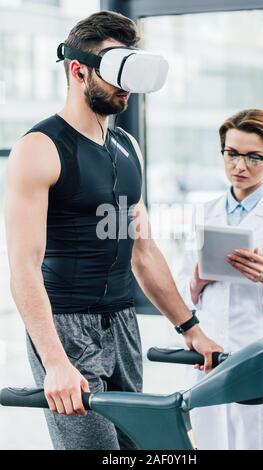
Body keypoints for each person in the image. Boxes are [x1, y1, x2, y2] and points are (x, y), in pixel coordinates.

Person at [4, 11, 222, 450]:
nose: (125, 84)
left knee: (137, 449)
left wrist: (190, 327)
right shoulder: (39, 149)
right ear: (78, 70)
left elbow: (143, 251)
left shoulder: (127, 145)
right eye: (113, 70)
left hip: (122, 322)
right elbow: (24, 267)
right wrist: (56, 364)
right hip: (66, 324)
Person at [177, 108, 263, 450]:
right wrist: (198, 281)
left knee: (260, 441)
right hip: (209, 355)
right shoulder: (205, 212)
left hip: (262, 356)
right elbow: (180, 293)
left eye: (253, 157)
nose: (240, 166)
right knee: (212, 440)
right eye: (232, 154)